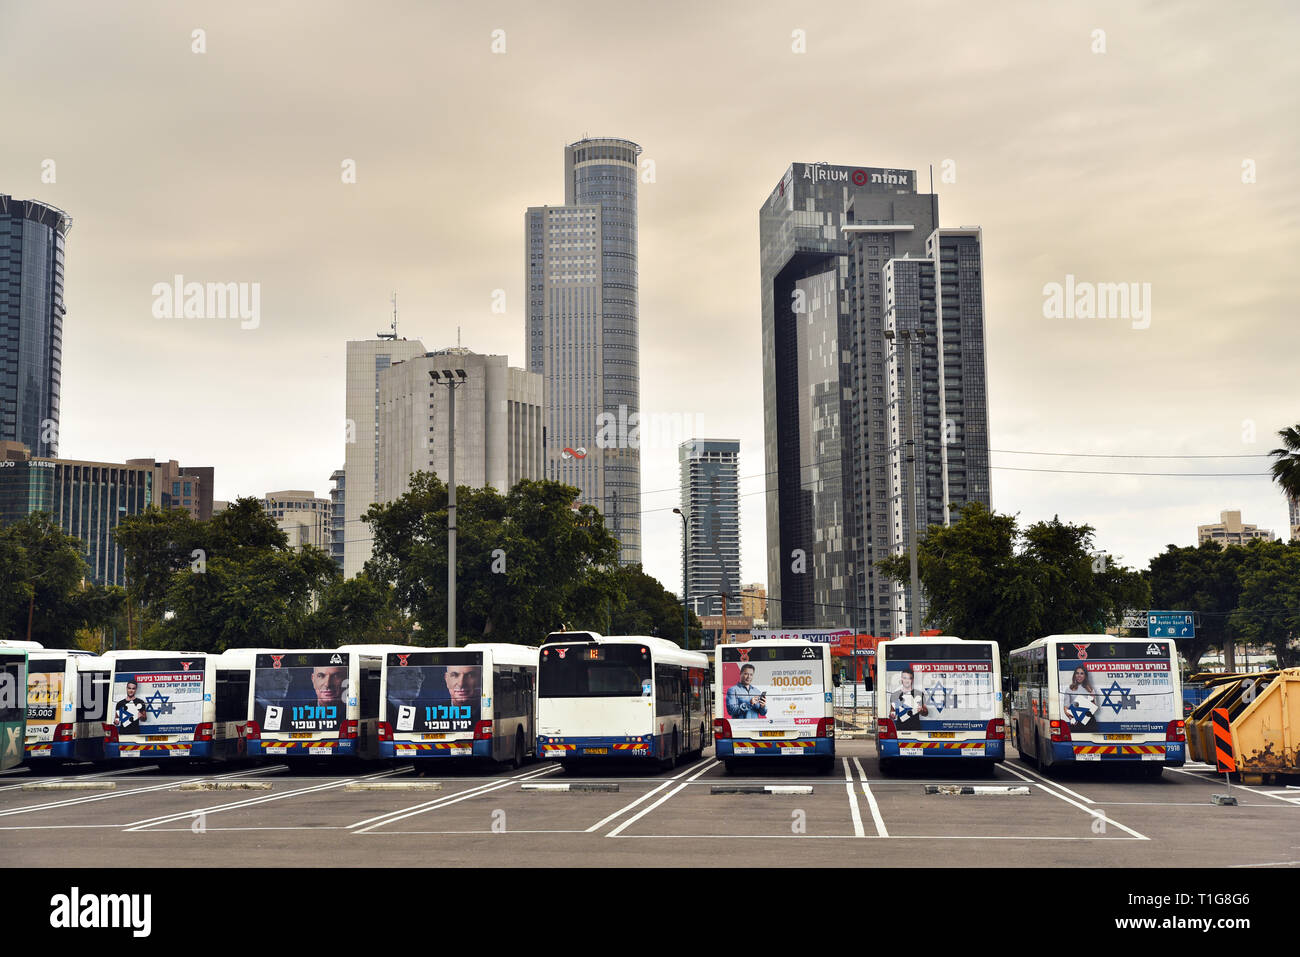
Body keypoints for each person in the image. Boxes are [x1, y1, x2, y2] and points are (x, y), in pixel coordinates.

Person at [1061, 664, 1098, 730]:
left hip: (1089, 721)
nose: (1079, 675)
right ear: (1074, 675)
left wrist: (1092, 703)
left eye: (1082, 673)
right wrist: (1071, 718)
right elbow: (1066, 707)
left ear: (1085, 676)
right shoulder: (1069, 689)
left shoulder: (1090, 689)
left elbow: (1094, 706)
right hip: (1075, 721)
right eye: (1077, 673)